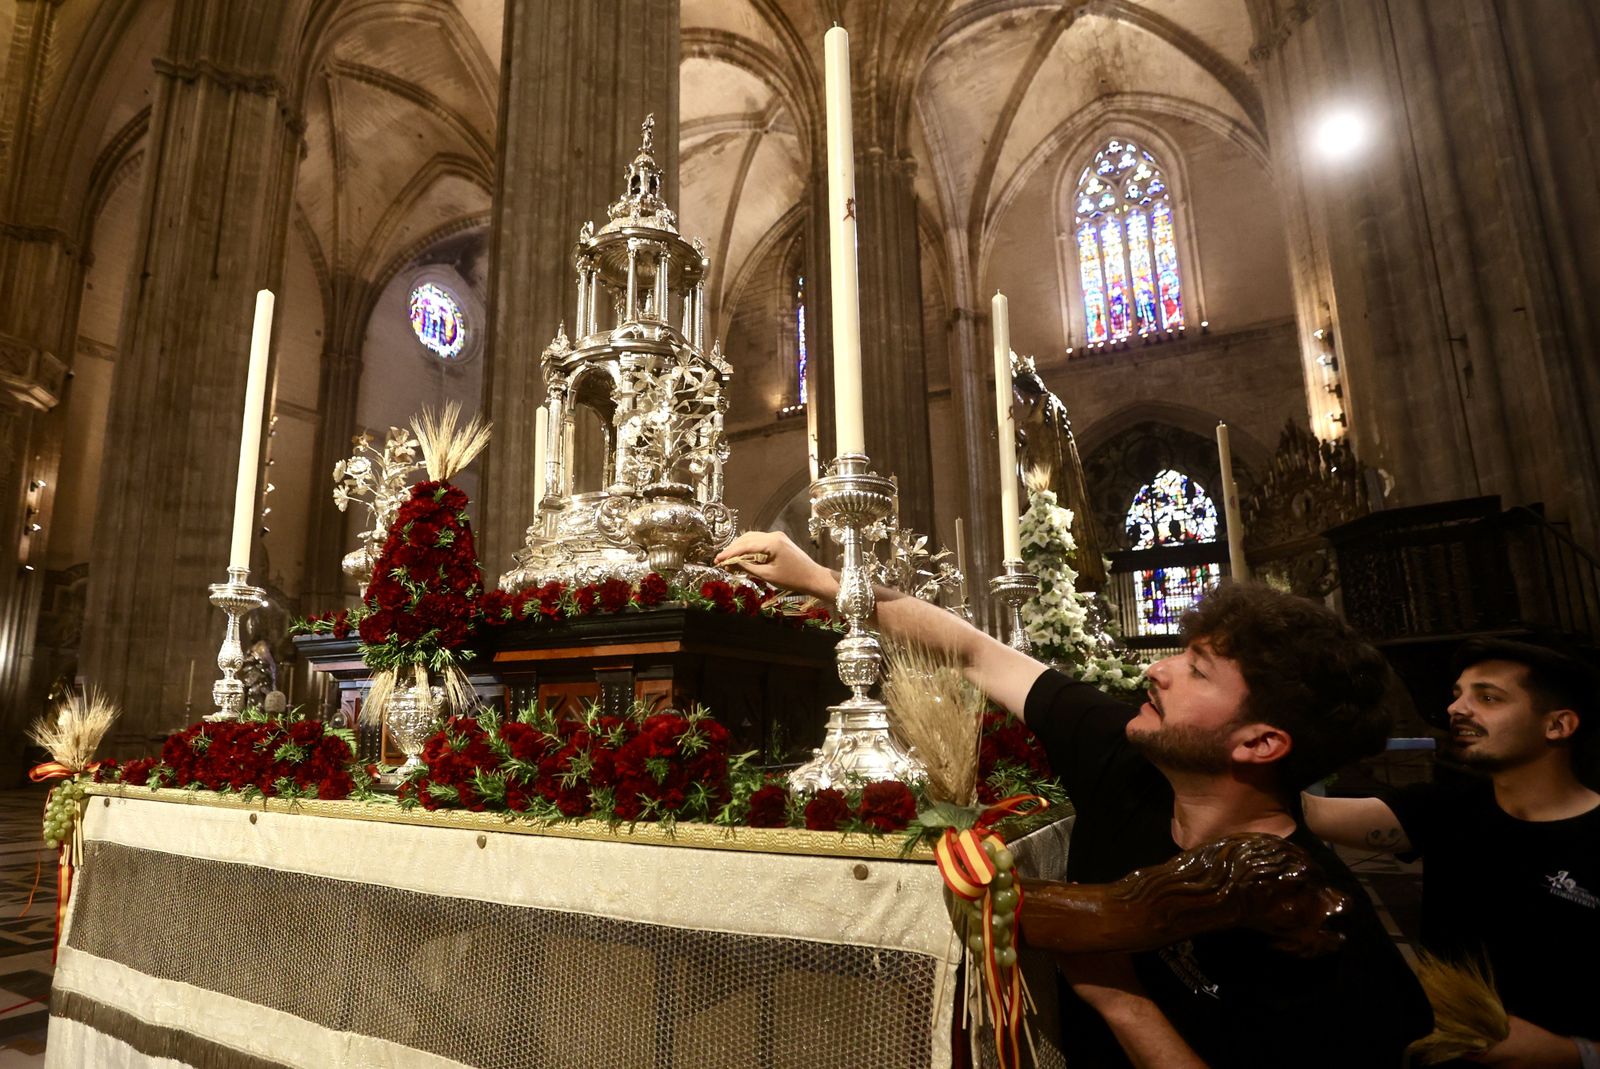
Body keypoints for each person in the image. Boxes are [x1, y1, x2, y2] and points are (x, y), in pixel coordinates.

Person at [717, 531, 1432, 1069]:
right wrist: (820, 577)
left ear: (1260, 743)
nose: (1157, 668)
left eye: (1197, 670)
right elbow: (973, 652)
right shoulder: (1121, 756)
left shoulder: (1320, 923)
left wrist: (1120, 997)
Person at [1303, 638, 1600, 1068]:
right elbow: (1311, 812)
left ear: (1558, 725)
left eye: (1488, 697)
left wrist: (1575, 1054)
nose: (1457, 709)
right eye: (1457, 694)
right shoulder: (1449, 810)